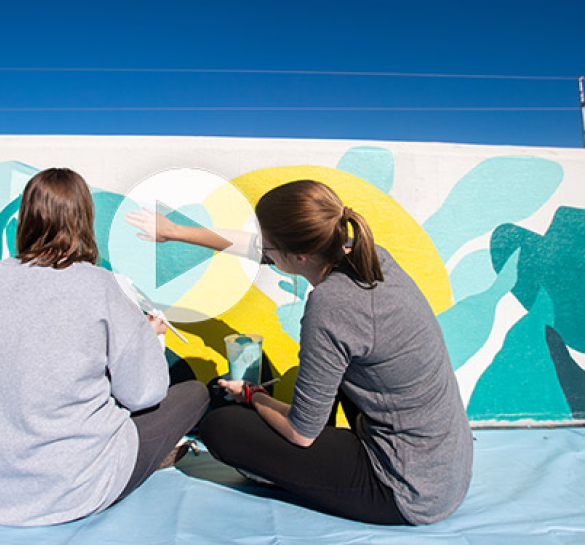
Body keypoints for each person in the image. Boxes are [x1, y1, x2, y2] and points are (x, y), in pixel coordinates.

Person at [125, 179, 472, 525]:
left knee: (221, 427)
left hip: (403, 487)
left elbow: (301, 433)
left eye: (270, 249)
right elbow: (257, 246)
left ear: (300, 255)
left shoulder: (331, 304)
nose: (265, 255)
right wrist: (175, 231)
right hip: (444, 468)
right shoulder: (364, 253)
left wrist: (254, 395)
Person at [0, 168, 208, 527]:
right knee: (194, 394)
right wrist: (147, 338)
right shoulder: (99, 285)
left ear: (25, 220)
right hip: (72, 487)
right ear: (84, 220)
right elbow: (143, 393)